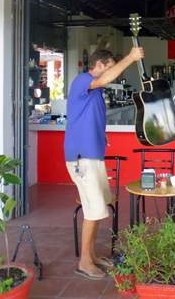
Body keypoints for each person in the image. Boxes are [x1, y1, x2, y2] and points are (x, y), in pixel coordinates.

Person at [64, 46, 144, 280]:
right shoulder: (83, 80)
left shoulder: (94, 90)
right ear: (99, 65)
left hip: (92, 157)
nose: (114, 74)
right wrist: (130, 57)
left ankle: (92, 255)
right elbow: (107, 77)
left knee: (98, 208)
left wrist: (100, 135)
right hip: (82, 159)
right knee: (94, 209)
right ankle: (84, 262)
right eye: (109, 67)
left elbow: (87, 118)